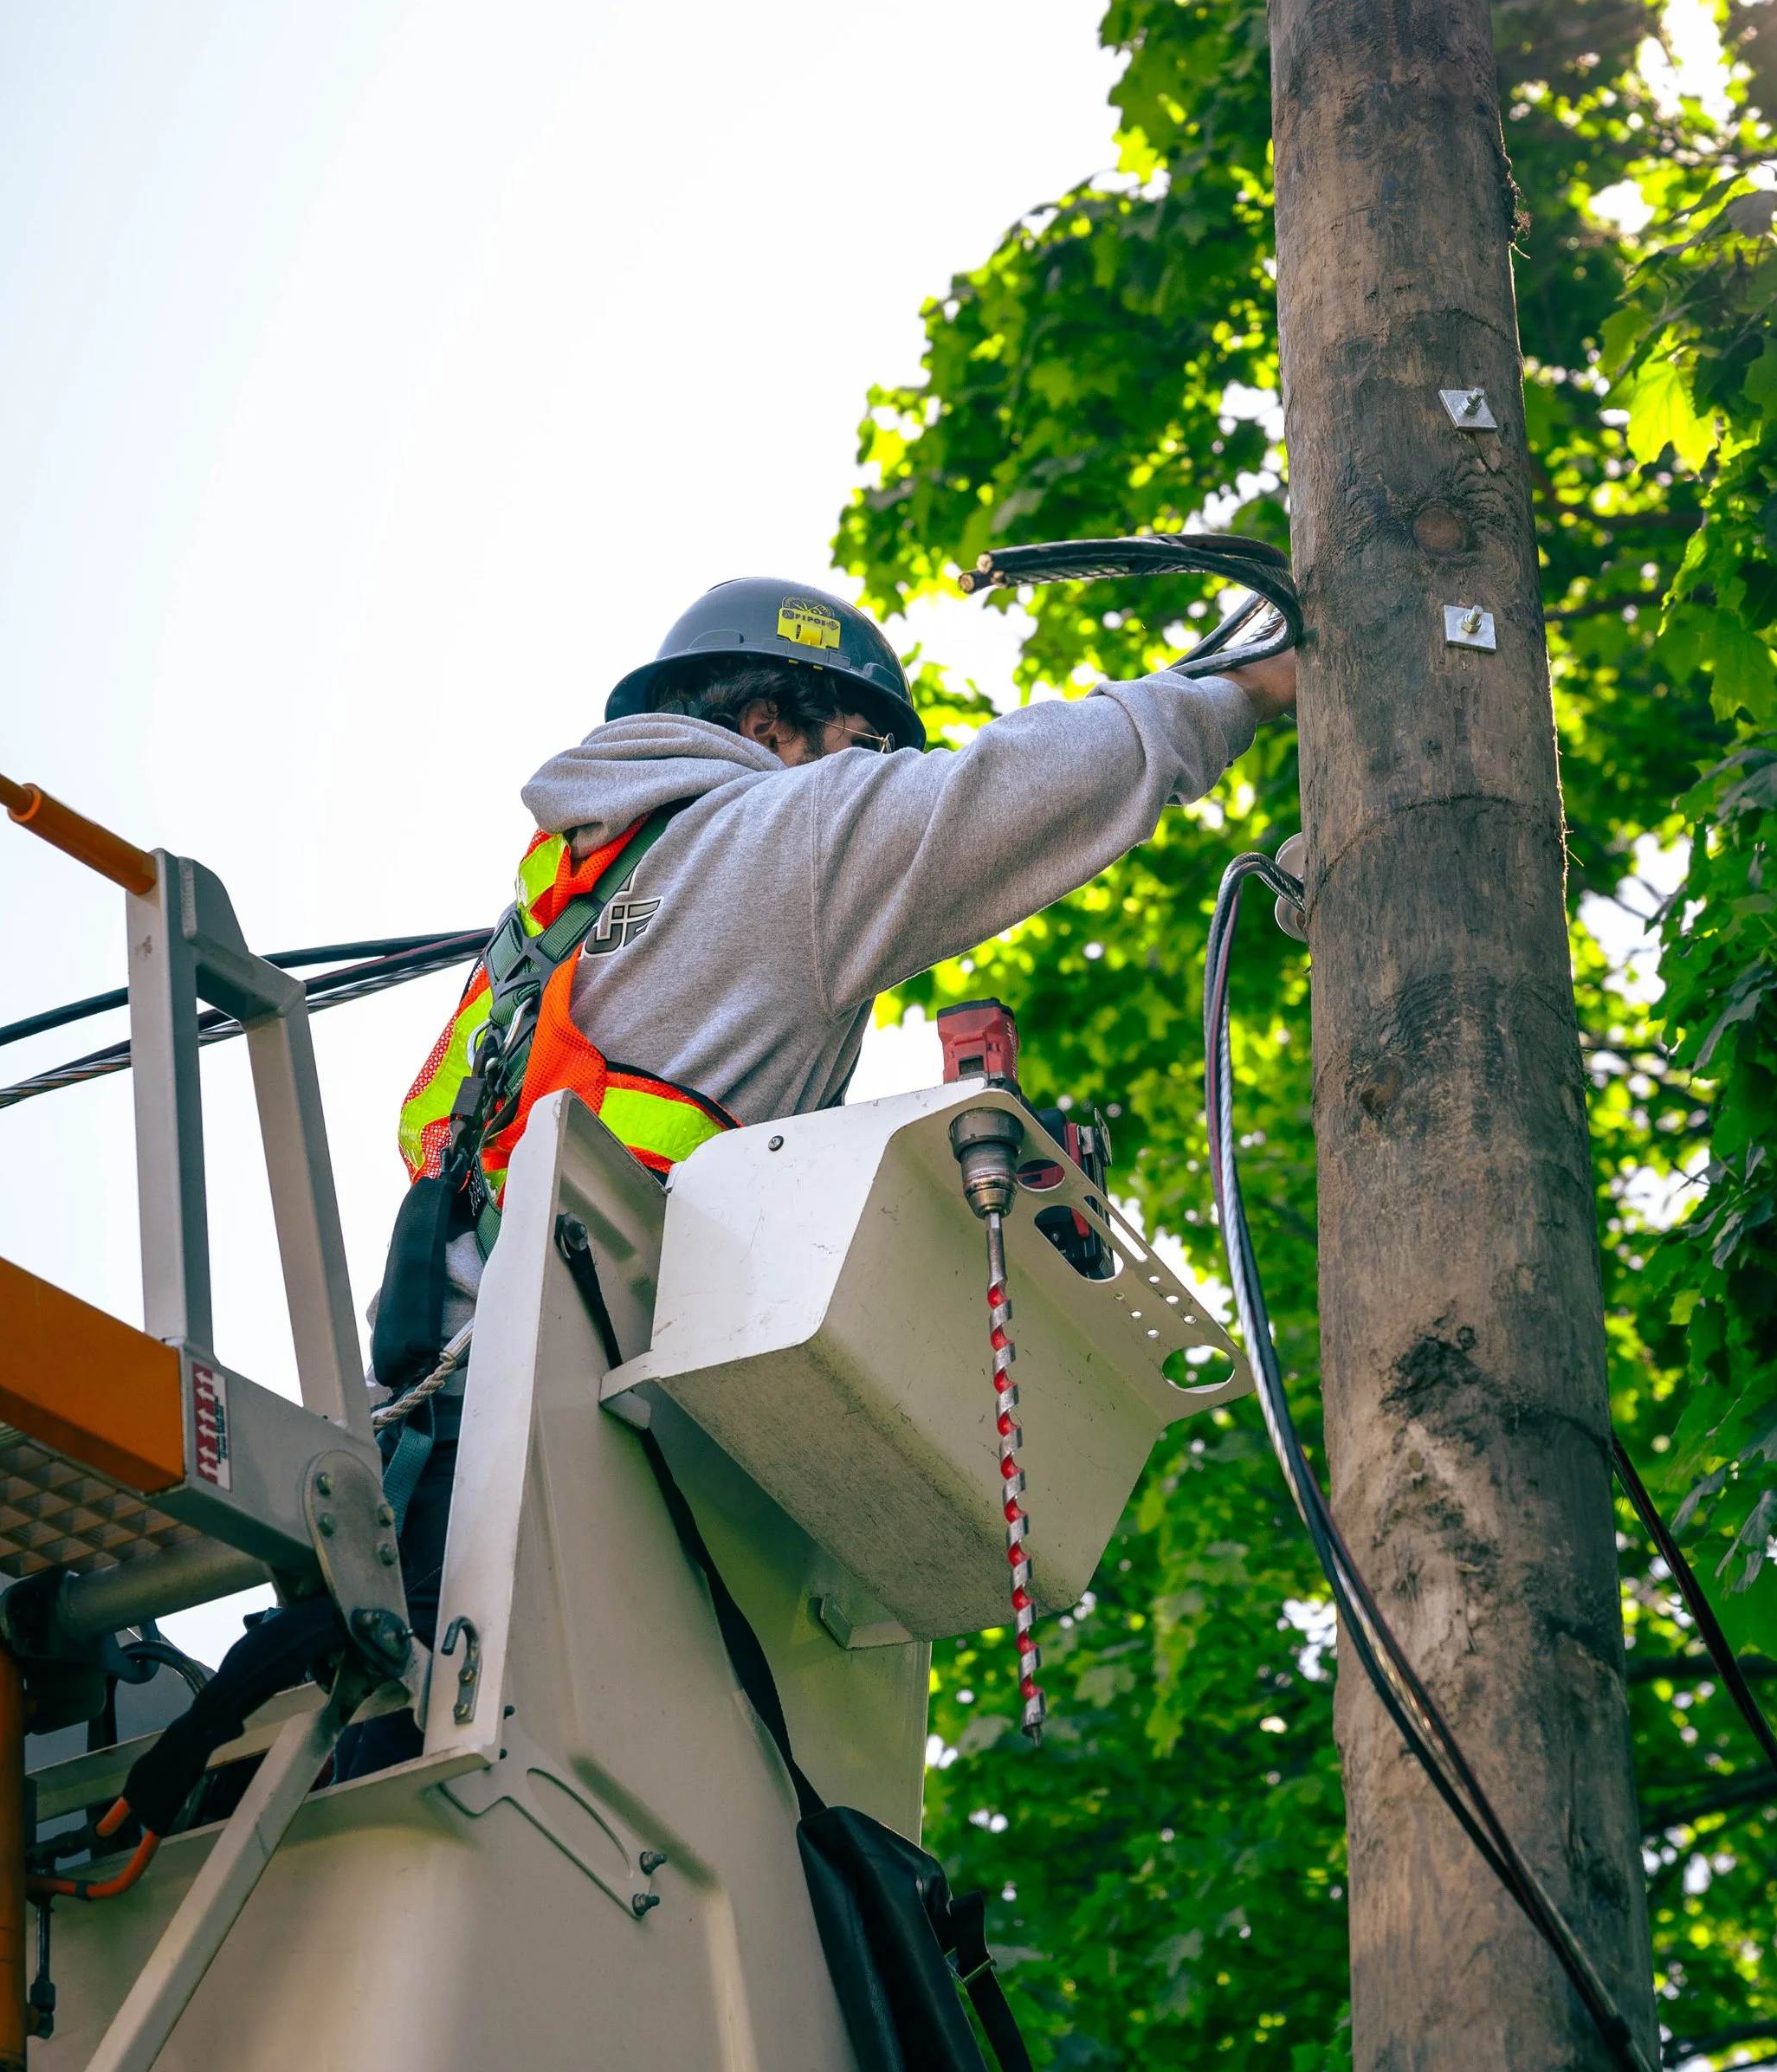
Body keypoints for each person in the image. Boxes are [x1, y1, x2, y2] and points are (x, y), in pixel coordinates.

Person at [339, 575, 1296, 1772]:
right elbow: (1006, 792)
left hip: (423, 1458)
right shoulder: (770, 837)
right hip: (567, 1456)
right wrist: (1247, 689)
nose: (873, 781)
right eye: (862, 751)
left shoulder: (552, 923)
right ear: (766, 731)